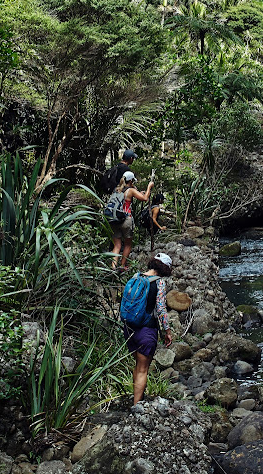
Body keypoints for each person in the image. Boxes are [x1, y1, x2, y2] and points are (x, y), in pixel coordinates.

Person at [123, 252, 173, 405]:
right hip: (147, 329)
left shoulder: (135, 277)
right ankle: (136, 407)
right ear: (165, 268)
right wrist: (167, 330)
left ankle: (136, 399)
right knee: (143, 369)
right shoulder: (159, 283)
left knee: (138, 366)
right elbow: (161, 309)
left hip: (129, 328)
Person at [110, 170, 153, 271]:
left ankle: (112, 267)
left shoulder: (116, 189)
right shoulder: (131, 191)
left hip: (114, 219)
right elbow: (145, 198)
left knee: (117, 245)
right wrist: (149, 187)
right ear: (131, 181)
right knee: (128, 244)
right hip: (126, 220)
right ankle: (122, 266)